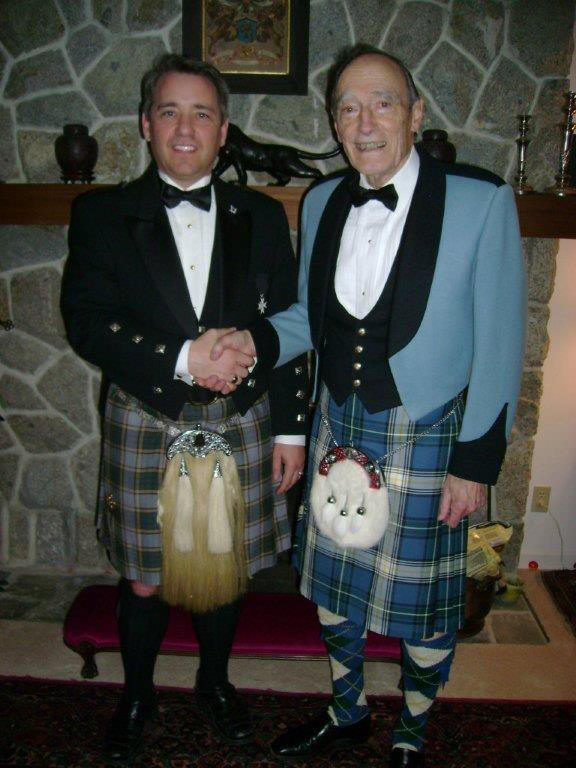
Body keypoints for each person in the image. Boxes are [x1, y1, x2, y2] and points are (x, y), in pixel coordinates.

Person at [210, 43, 526, 767]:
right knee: (333, 584)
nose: (365, 122)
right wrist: (250, 341)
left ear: (415, 113)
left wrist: (476, 463)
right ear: (335, 123)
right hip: (340, 420)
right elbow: (309, 319)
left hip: (428, 431)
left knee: (424, 602)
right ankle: (347, 709)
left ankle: (411, 729)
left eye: (383, 103)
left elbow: (502, 340)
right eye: (348, 108)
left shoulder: (480, 201)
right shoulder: (323, 201)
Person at [61, 53, 307, 763]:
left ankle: (215, 683)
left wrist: (292, 429)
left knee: (224, 569)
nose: (186, 127)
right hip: (147, 414)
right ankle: (137, 694)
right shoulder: (102, 214)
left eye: (202, 113)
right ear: (146, 124)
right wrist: (181, 357)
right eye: (169, 111)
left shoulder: (263, 215)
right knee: (144, 577)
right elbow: (86, 321)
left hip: (243, 418)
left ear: (224, 129)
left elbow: (290, 325)